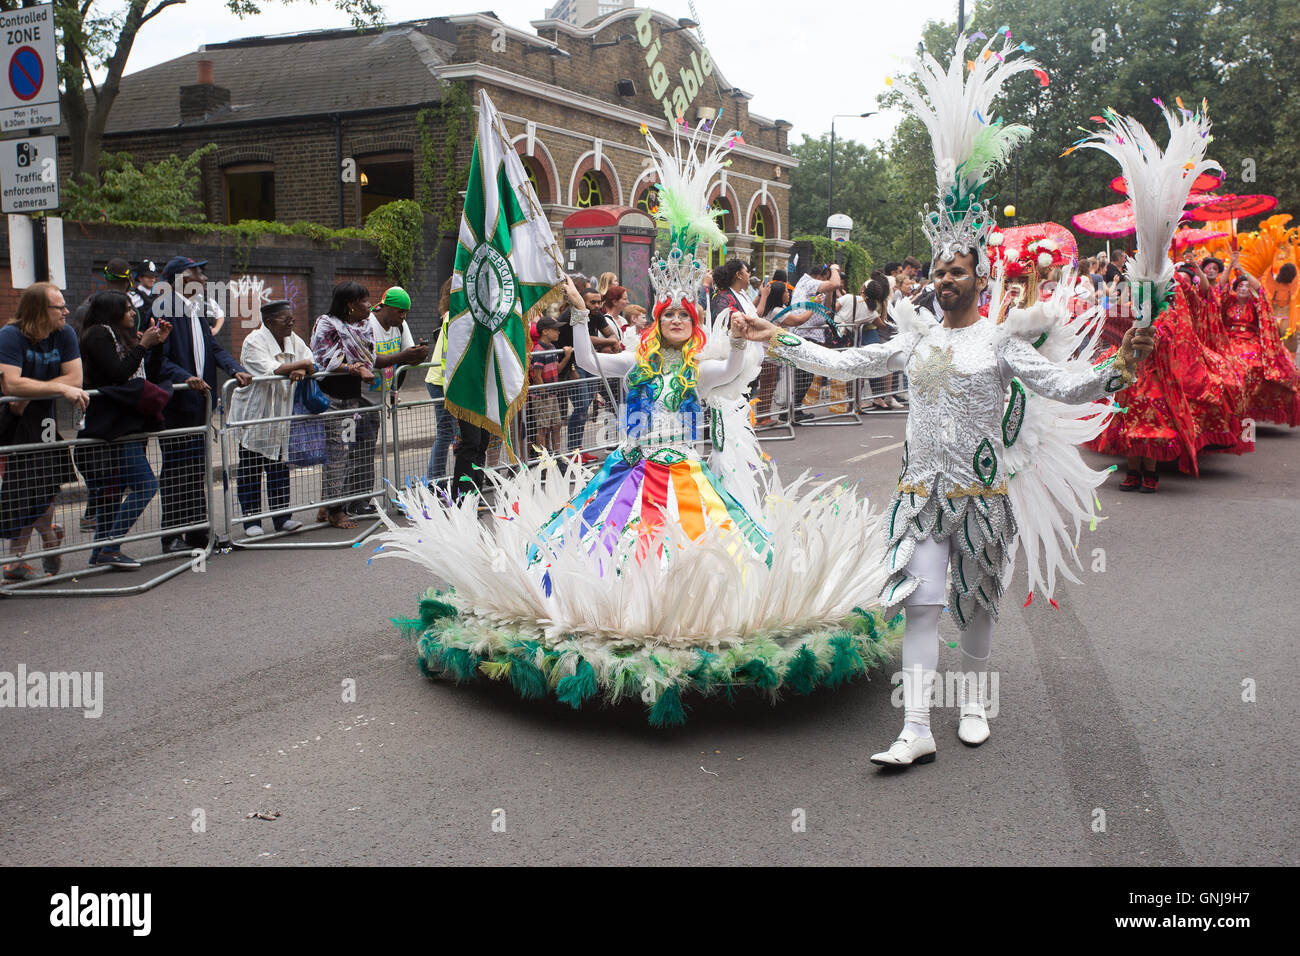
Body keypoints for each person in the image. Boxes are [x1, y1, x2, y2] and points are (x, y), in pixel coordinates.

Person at [376, 121, 903, 726]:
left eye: (685, 311)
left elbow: (731, 367)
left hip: (683, 475)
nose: (677, 317)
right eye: (668, 310)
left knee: (697, 553)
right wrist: (577, 315)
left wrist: (735, 338)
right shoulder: (635, 358)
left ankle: (678, 622)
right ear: (657, 316)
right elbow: (596, 361)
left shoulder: (701, 368)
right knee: (609, 547)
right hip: (629, 472)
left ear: (692, 318)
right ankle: (617, 617)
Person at [736, 35, 1161, 768]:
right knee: (920, 606)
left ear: (979, 276)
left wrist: (1120, 365)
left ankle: (973, 703)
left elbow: (1066, 384)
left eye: (956, 269)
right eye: (938, 267)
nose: (944, 278)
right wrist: (774, 337)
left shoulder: (999, 341)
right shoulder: (915, 334)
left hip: (981, 496)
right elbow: (844, 362)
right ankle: (915, 729)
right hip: (918, 494)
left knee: (978, 610)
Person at [152, 256, 252, 554]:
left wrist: (235, 369)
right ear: (178, 278)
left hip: (200, 403)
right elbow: (159, 359)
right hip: (177, 403)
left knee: (197, 469)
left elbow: (213, 348)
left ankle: (197, 532)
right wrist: (187, 377)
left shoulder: (196, 309)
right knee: (176, 469)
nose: (205, 278)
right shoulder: (163, 309)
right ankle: (171, 536)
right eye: (197, 272)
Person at [76, 291, 171, 569]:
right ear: (112, 311)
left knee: (111, 494)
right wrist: (143, 345)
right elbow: (118, 374)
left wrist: (157, 345)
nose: (133, 313)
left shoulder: (123, 336)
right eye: (127, 309)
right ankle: (111, 546)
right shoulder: (97, 335)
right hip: (112, 426)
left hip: (128, 424)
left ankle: (100, 553)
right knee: (145, 485)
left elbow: (147, 375)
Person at [0, 283, 89, 581]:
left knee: (44, 486)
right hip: (11, 421)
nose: (66, 311)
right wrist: (58, 386)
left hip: (44, 421)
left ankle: (23, 557)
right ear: (39, 311)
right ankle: (41, 543)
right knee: (21, 490)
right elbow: (11, 384)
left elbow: (75, 378)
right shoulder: (10, 336)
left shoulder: (64, 334)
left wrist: (46, 388)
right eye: (59, 307)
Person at [229, 300, 314, 537]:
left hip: (280, 416)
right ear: (268, 321)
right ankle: (251, 520)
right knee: (251, 468)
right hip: (255, 415)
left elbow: (311, 359)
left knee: (278, 466)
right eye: (285, 319)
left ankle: (282, 517)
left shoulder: (293, 340)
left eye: (292, 318)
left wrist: (304, 367)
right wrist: (302, 365)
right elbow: (270, 370)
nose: (291, 322)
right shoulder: (253, 341)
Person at [310, 281, 379, 527]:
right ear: (350, 305)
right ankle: (336, 511)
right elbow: (323, 360)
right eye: (364, 300)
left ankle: (326, 506)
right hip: (331, 400)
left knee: (341, 453)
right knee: (337, 454)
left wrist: (361, 366)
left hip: (352, 400)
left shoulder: (362, 326)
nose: (369, 305)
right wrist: (354, 367)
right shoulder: (326, 325)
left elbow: (370, 357)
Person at [424, 278, 458, 487]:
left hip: (444, 381)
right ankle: (434, 482)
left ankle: (438, 480)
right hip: (441, 382)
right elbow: (449, 355)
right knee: (445, 433)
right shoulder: (452, 319)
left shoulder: (451, 317)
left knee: (450, 432)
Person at [367, 286, 429, 397]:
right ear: (385, 307)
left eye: (406, 312)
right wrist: (404, 356)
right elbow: (370, 360)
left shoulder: (401, 325)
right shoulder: (367, 324)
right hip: (361, 398)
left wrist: (419, 355)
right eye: (400, 311)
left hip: (380, 398)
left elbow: (408, 360)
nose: (403, 316)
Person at [526, 315, 571, 458]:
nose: (558, 332)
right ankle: (544, 458)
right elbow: (536, 375)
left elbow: (556, 370)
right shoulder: (539, 350)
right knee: (543, 427)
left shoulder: (552, 347)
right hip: (543, 395)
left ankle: (556, 455)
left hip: (552, 394)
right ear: (545, 331)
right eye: (555, 329)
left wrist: (567, 357)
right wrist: (543, 392)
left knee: (556, 424)